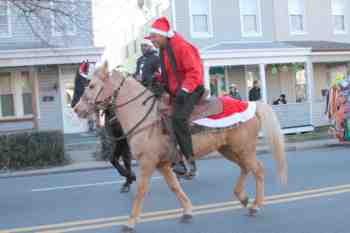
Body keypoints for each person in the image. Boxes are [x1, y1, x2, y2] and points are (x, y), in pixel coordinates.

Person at [145, 17, 205, 176]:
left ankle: (191, 161)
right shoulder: (164, 49)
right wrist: (157, 79)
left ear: (164, 35)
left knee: (178, 118)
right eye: (151, 39)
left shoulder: (181, 47)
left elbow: (194, 71)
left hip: (192, 88)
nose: (153, 42)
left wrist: (185, 90)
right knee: (161, 116)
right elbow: (170, 74)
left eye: (155, 38)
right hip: (176, 91)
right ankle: (175, 159)